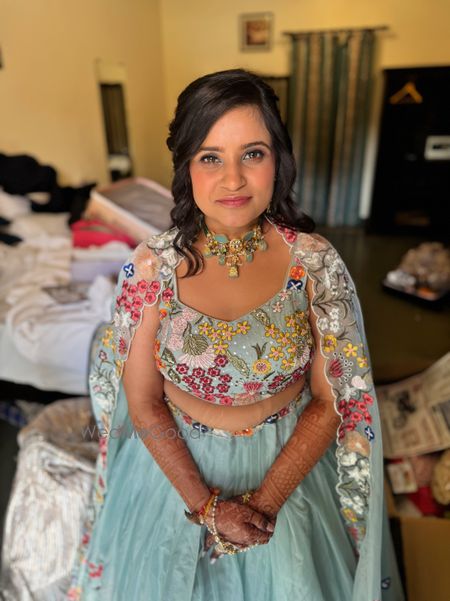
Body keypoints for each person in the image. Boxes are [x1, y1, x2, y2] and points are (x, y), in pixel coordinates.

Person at [67, 69, 404, 601]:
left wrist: (265, 502)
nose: (233, 180)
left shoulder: (314, 263)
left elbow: (331, 400)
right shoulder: (151, 266)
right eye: (210, 157)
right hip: (174, 474)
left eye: (252, 153)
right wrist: (206, 508)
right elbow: (144, 402)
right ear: (186, 166)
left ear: (279, 160)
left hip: (288, 472)